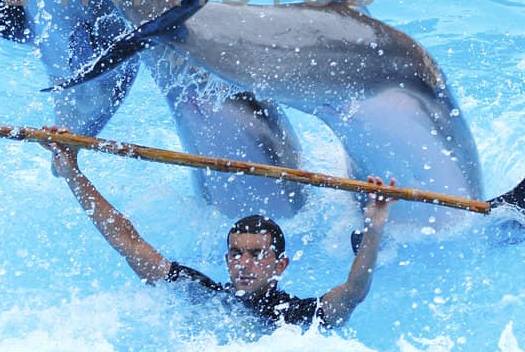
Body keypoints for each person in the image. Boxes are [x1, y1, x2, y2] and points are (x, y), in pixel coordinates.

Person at [44, 130, 397, 331]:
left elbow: (353, 293)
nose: (243, 262)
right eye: (236, 253)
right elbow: (128, 241)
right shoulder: (204, 294)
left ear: (280, 265)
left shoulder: (294, 316)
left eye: (256, 254)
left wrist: (375, 227)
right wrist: (73, 174)